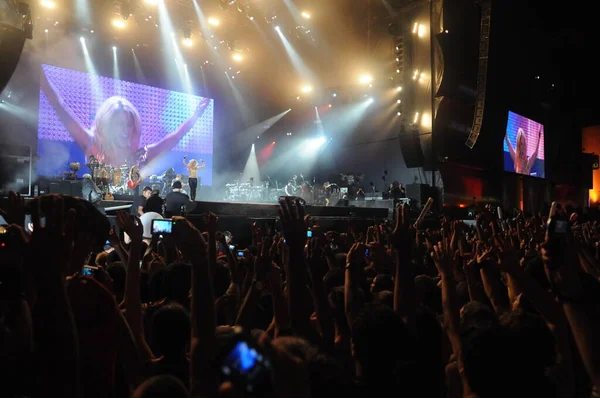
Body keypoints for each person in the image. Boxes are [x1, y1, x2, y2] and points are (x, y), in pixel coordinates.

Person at [40, 69, 211, 167]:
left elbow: (174, 137)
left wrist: (195, 116)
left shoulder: (141, 155)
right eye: (119, 124)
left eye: (128, 125)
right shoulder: (92, 145)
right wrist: (40, 77)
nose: (125, 130)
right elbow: (60, 107)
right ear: (107, 126)